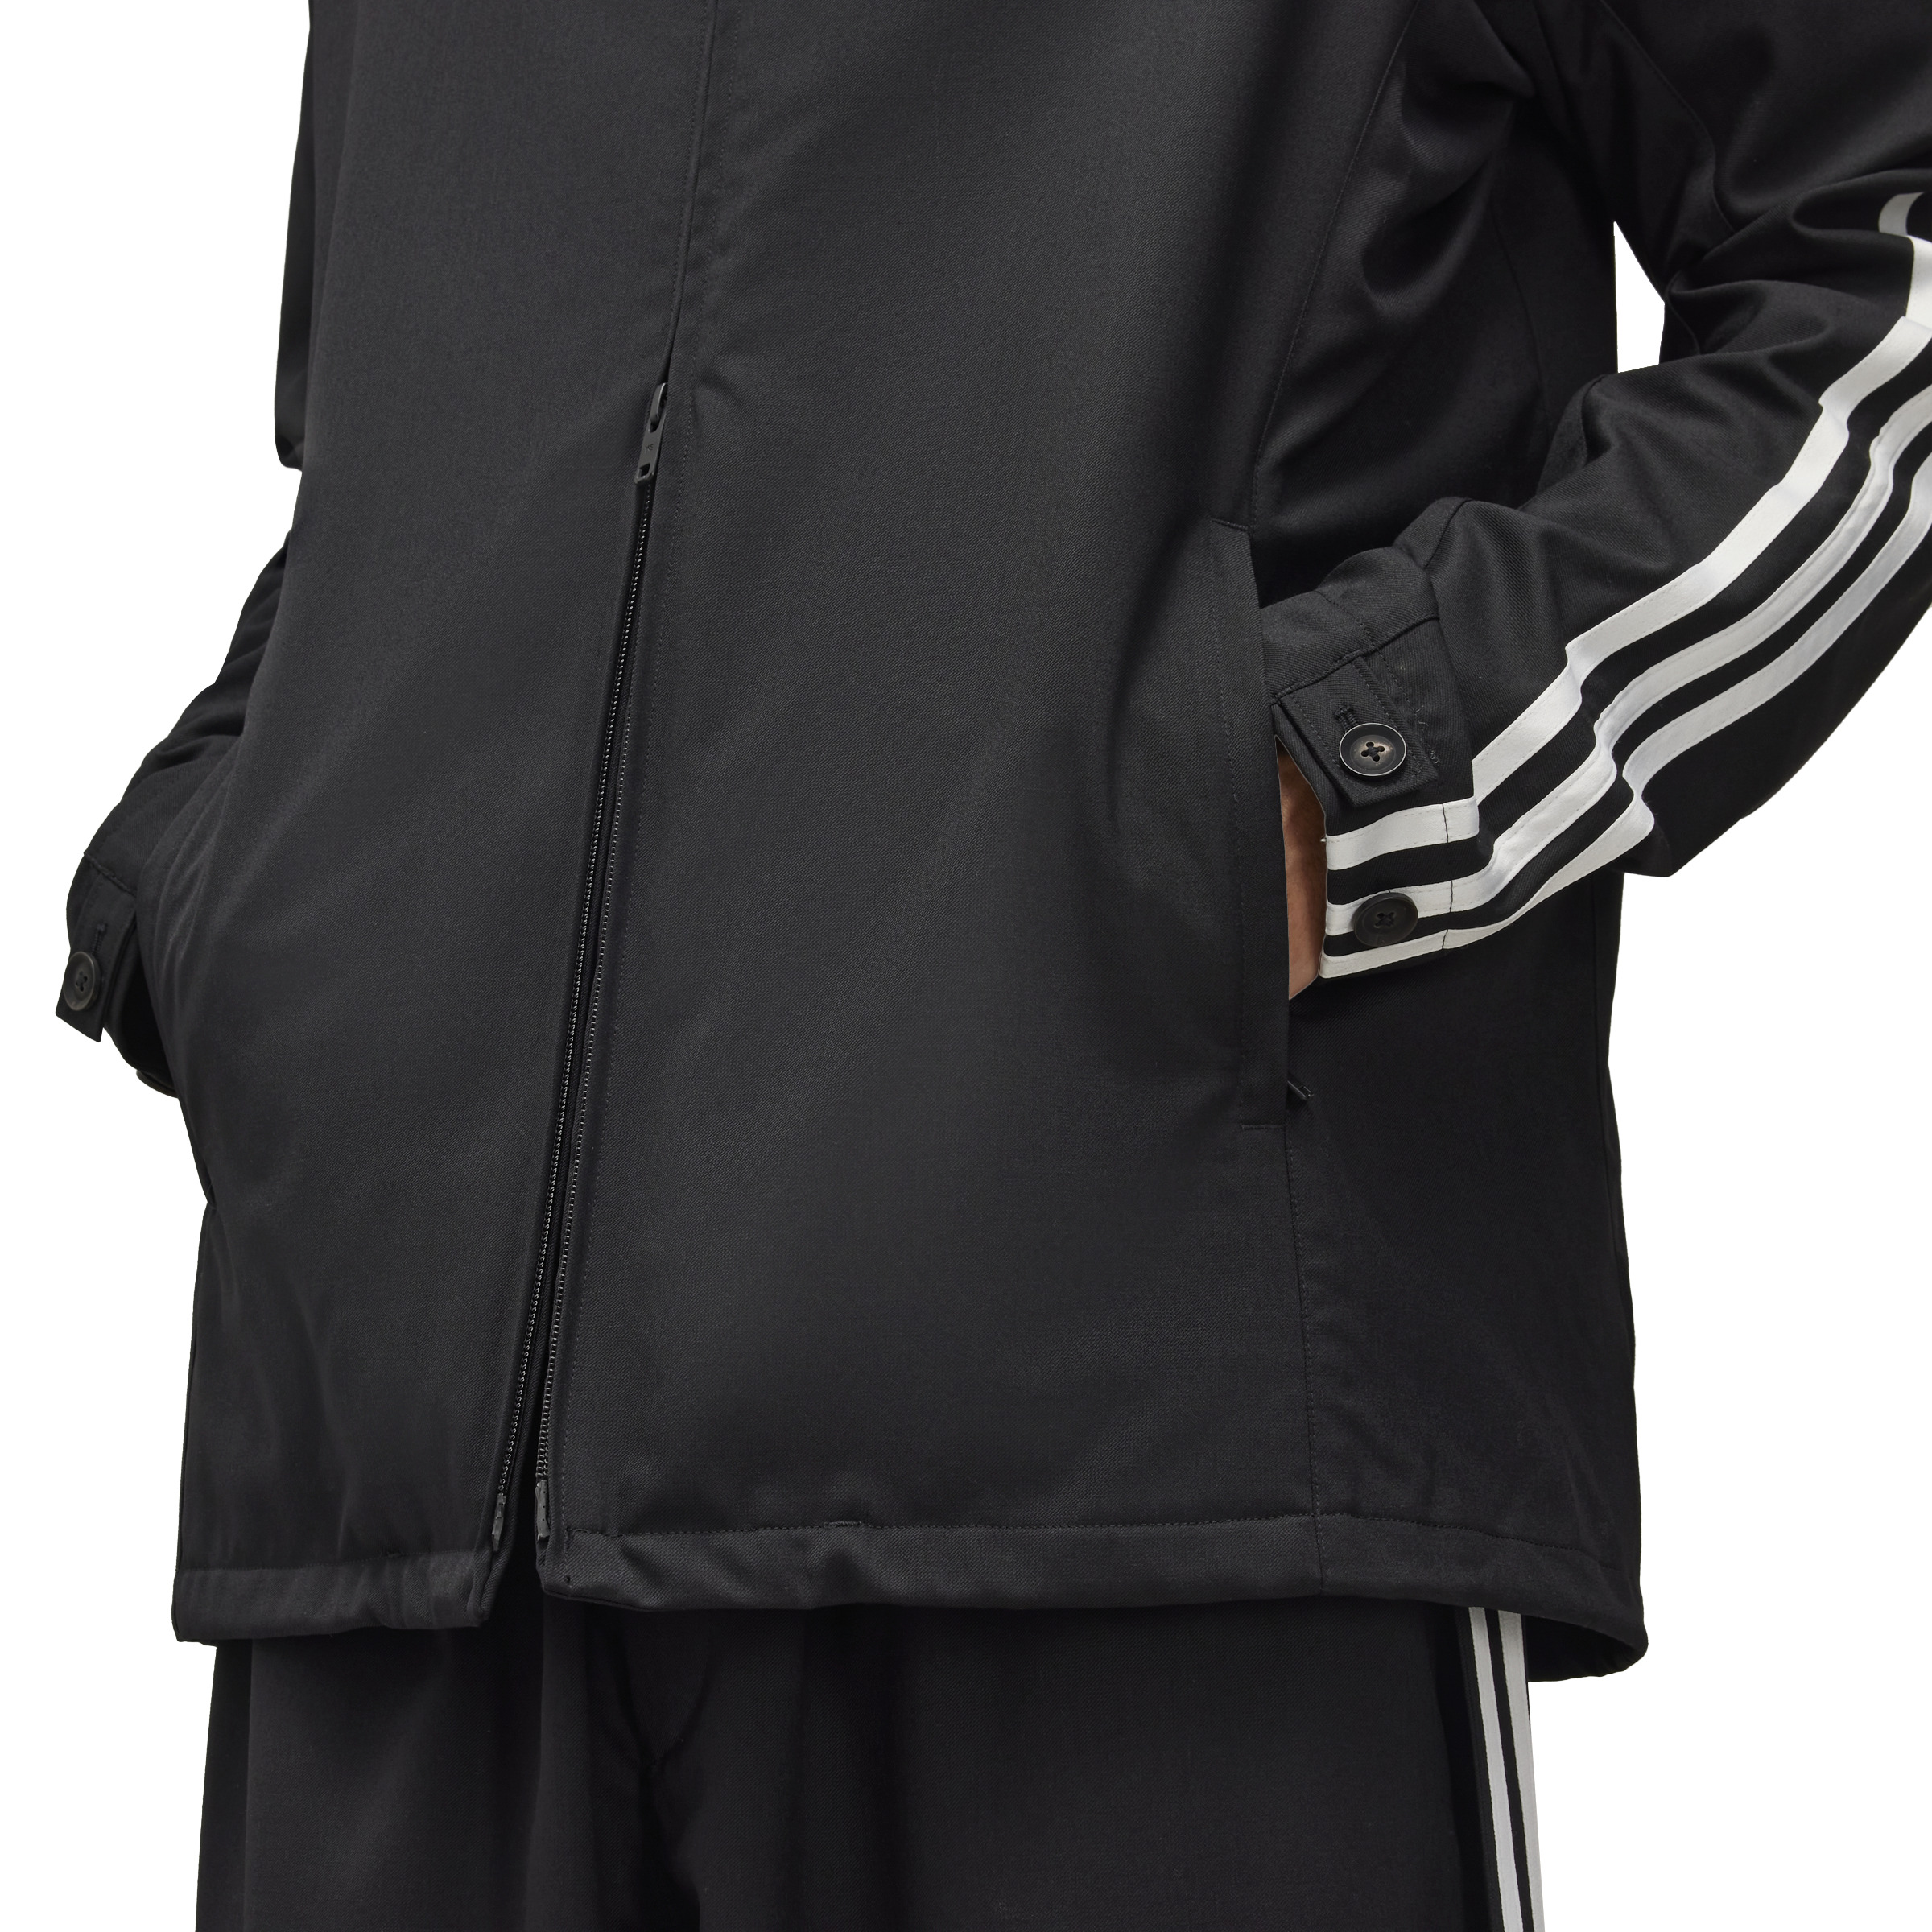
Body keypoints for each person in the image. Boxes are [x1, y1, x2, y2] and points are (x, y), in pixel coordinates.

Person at [56, 2, 1931, 1926]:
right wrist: (233, 866)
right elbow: (404, 438)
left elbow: (1882, 253)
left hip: (1154, 1464)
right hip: (400, 1500)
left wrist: (1352, 769)